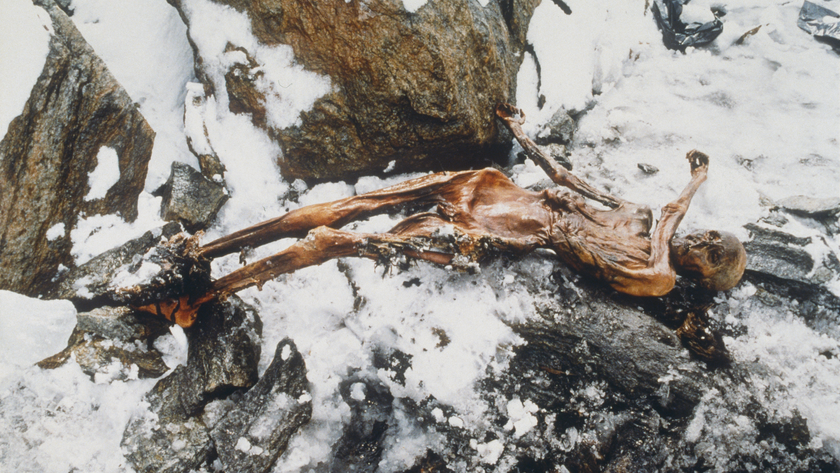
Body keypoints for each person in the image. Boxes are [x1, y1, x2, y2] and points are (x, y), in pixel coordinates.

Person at [140, 104, 746, 327]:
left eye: (714, 252)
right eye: (715, 235)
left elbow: (597, 239)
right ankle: (201, 259)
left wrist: (692, 184)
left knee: (340, 236)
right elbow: (567, 180)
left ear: (701, 275)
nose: (707, 238)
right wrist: (523, 136)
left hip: (498, 230)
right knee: (350, 208)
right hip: (500, 196)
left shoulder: (657, 268)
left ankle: (204, 290)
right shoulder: (645, 222)